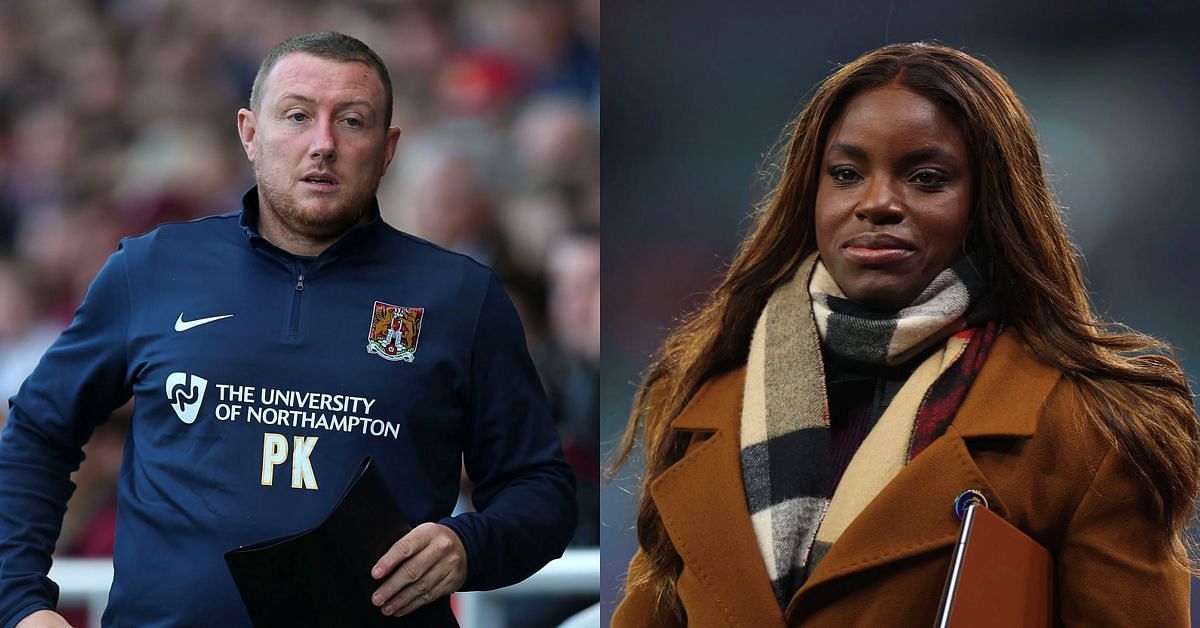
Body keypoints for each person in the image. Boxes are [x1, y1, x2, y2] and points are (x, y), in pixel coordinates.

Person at [610, 43, 1200, 626]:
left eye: (925, 177)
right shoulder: (704, 394)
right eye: (846, 174)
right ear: (810, 194)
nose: (877, 203)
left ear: (989, 202)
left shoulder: (1085, 427)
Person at [0, 31, 576, 628]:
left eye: (352, 121)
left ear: (388, 148)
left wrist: (468, 546)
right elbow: (38, 432)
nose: (322, 144)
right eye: (297, 115)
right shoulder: (152, 268)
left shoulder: (460, 297)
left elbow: (541, 491)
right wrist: (20, 604)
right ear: (249, 133)